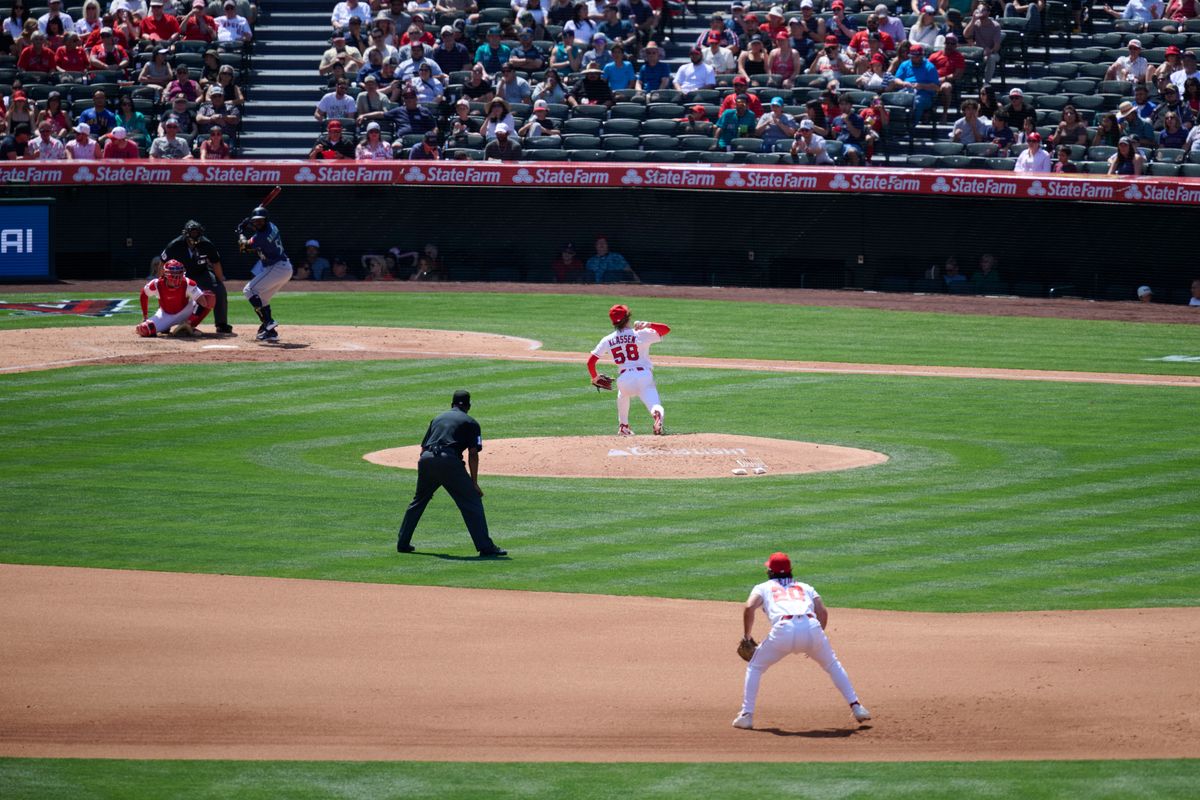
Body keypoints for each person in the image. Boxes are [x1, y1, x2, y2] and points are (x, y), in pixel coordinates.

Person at [731, 552, 871, 731]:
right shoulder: (805, 587)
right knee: (832, 664)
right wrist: (815, 641)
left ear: (770, 572)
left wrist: (747, 636)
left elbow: (749, 607)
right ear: (790, 571)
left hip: (783, 629)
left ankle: (746, 715)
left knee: (755, 666)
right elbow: (823, 612)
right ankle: (857, 707)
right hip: (812, 627)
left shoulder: (763, 587)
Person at [396, 390, 507, 557]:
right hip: (448, 461)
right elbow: (473, 453)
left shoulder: (438, 418)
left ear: (451, 404)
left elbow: (423, 447)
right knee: (472, 501)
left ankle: (402, 543)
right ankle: (485, 547)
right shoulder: (471, 422)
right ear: (469, 406)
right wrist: (474, 483)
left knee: (419, 500)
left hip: (426, 459)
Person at [587, 303, 669, 436]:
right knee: (654, 403)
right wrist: (648, 324)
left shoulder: (608, 339)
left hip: (624, 379)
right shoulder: (641, 334)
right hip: (644, 376)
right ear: (628, 317)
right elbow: (666, 329)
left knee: (623, 394)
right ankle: (656, 415)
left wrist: (595, 377)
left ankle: (623, 426)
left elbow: (591, 362)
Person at [159, 220, 231, 334]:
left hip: (201, 273)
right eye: (192, 232)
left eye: (196, 232)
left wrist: (220, 279)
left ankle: (221, 324)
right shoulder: (175, 245)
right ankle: (165, 324)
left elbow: (216, 262)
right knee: (167, 293)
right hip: (180, 276)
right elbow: (163, 262)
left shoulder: (207, 244)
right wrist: (161, 281)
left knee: (219, 289)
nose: (194, 235)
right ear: (186, 233)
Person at [237, 205, 293, 342]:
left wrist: (239, 232)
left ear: (266, 220)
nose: (258, 223)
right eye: (256, 221)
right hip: (283, 268)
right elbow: (258, 232)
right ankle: (270, 332)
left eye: (261, 221)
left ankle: (268, 322)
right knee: (262, 299)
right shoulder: (271, 226)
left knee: (249, 290)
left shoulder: (261, 237)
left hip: (277, 267)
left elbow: (244, 247)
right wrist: (250, 226)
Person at [135, 260, 213, 338]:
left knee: (209, 297)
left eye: (179, 275)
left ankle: (190, 326)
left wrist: (189, 321)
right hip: (165, 315)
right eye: (174, 275)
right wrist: (145, 317)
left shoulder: (187, 283)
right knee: (144, 329)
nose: (177, 279)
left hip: (185, 311)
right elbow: (144, 294)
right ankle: (166, 327)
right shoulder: (156, 284)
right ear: (166, 275)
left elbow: (203, 302)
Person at [894, 44, 939, 124]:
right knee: (895, 99)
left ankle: (911, 126)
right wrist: (903, 83)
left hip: (924, 95)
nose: (914, 59)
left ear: (922, 56)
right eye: (912, 57)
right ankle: (898, 126)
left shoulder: (929, 67)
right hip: (906, 91)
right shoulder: (905, 64)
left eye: (917, 57)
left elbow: (936, 87)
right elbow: (896, 79)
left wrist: (922, 86)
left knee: (917, 102)